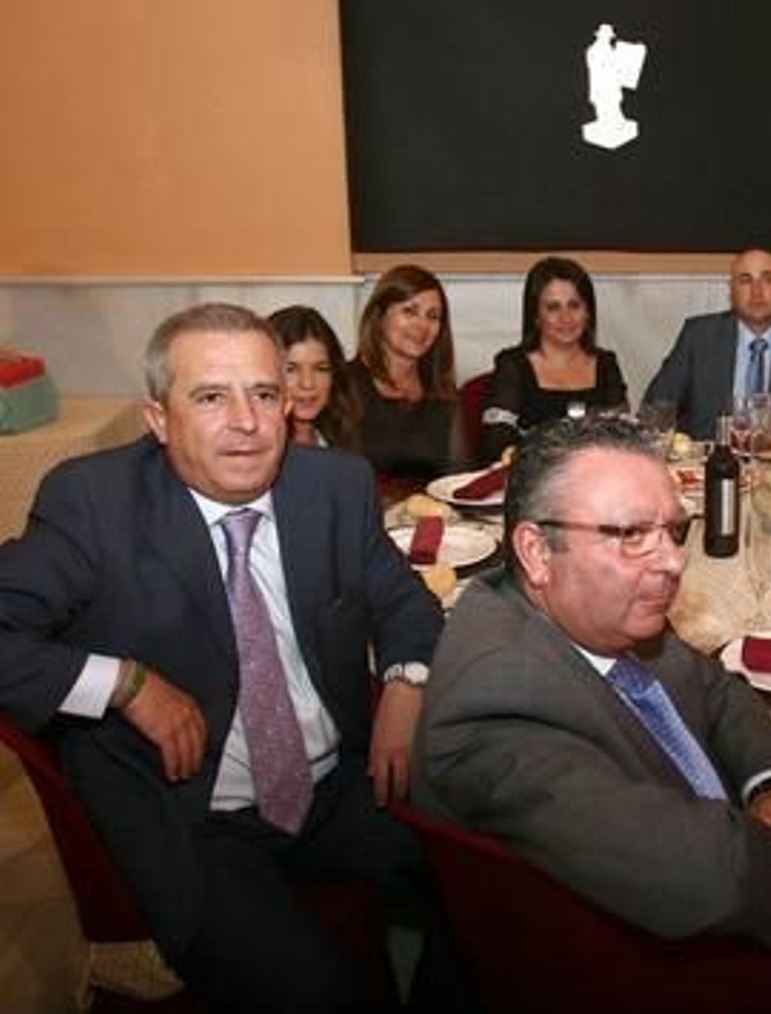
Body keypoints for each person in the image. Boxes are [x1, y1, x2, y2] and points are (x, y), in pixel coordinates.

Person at [0, 304, 451, 1007]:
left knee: (491, 884)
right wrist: (123, 682)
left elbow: (403, 600)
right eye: (212, 396)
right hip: (191, 812)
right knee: (316, 989)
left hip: (335, 784)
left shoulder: (333, 487)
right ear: (158, 419)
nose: (247, 421)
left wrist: (405, 681)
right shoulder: (93, 504)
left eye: (264, 394)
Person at [413, 416, 771, 1008]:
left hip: (702, 888)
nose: (672, 562)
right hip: (652, 969)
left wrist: (768, 789)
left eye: (673, 530)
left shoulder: (597, 613)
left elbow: (720, 691)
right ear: (536, 551)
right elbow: (698, 877)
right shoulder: (500, 697)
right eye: (633, 534)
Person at [642, 248, 771, 440]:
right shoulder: (698, 336)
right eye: (745, 280)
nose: (757, 291)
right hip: (708, 462)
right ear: (732, 290)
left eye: (767, 280)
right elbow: (656, 407)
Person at [481, 256, 629, 462]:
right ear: (536, 316)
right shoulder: (512, 364)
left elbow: (624, 440)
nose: (565, 318)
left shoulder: (607, 364)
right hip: (533, 485)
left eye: (574, 305)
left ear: (588, 312)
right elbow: (496, 444)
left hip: (596, 483)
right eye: (553, 307)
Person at [350, 264, 459, 482]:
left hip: (431, 513)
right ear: (379, 315)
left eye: (433, 316)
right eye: (409, 311)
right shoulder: (344, 385)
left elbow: (454, 474)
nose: (422, 326)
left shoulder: (442, 391)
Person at [267, 304, 362, 452]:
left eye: (320, 369)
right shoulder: (257, 453)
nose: (307, 383)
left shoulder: (344, 439)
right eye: (291, 369)